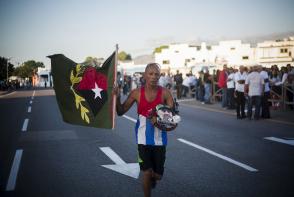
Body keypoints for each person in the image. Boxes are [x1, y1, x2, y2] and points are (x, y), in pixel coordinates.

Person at [114, 63, 174, 197]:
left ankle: (153, 177)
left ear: (160, 76)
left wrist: (159, 120)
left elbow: (173, 118)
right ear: (145, 75)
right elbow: (120, 111)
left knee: (157, 175)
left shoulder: (165, 93)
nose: (153, 77)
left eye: (156, 74)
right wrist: (117, 97)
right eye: (150, 74)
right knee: (146, 172)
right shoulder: (136, 93)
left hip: (160, 140)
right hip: (142, 139)